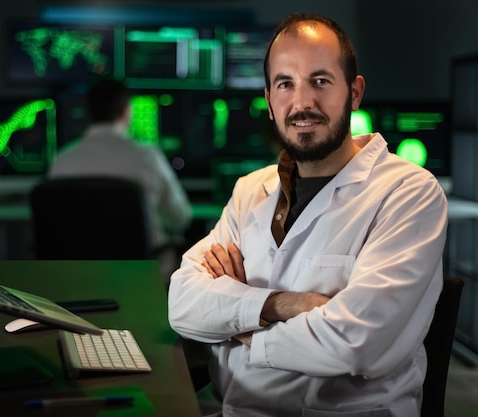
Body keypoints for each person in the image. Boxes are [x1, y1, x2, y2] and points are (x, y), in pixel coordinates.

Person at [168, 12, 448, 417]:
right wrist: (284, 305)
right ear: (268, 100)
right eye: (285, 84)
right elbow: (183, 303)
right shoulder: (251, 189)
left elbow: (355, 344)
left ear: (353, 93)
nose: (302, 103)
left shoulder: (408, 194)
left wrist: (235, 319)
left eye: (320, 81)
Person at [48, 78, 192, 277]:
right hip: (141, 273)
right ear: (126, 111)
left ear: (90, 111)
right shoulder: (146, 156)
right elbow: (179, 218)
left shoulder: (62, 161)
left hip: (79, 274)